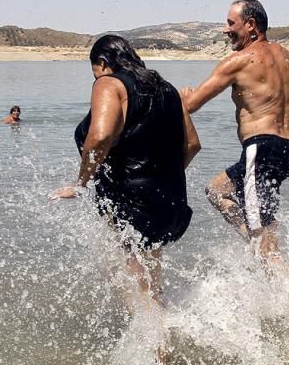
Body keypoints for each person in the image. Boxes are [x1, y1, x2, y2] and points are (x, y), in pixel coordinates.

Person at [53, 35, 201, 349]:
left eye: (95, 71)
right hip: (170, 202)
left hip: (133, 204)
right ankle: (164, 349)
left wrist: (80, 185)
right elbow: (192, 145)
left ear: (103, 64)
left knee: (137, 292)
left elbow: (100, 137)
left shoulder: (109, 83)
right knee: (150, 286)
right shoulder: (166, 88)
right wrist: (162, 179)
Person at [182, 0, 289, 271]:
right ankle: (255, 241)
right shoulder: (285, 55)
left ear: (250, 25)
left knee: (266, 241)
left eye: (230, 23)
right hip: (287, 151)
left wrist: (185, 94)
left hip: (259, 150)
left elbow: (191, 105)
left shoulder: (237, 61)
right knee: (216, 191)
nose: (226, 30)